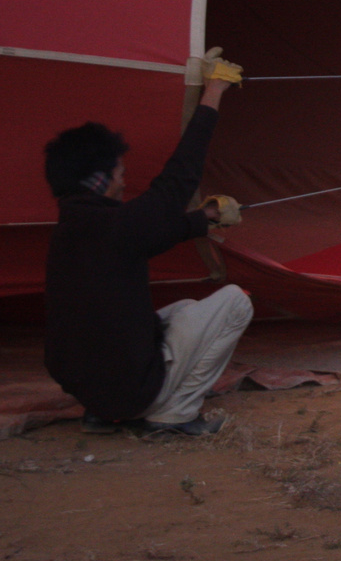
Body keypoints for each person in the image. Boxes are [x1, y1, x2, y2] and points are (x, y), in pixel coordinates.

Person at [43, 49, 252, 436]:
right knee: (236, 301)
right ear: (100, 179)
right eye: (120, 173)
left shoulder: (71, 230)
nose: (124, 181)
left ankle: (102, 412)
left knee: (187, 307)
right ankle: (174, 413)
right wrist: (215, 91)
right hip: (130, 390)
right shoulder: (115, 226)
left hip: (88, 386)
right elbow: (178, 180)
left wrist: (204, 218)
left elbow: (150, 229)